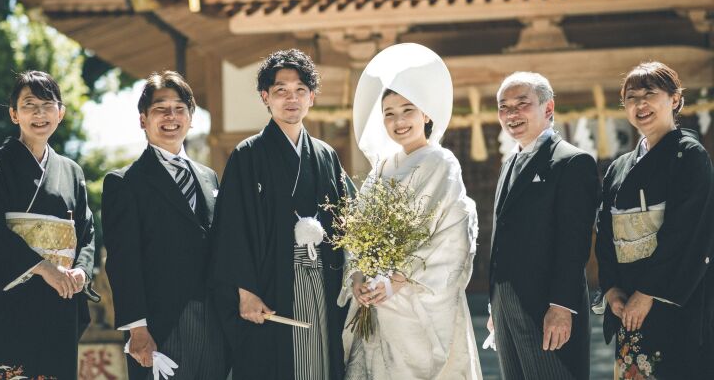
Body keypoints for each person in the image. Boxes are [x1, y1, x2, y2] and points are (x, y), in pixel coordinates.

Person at [209, 49, 353, 380]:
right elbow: (231, 228)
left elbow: (347, 222)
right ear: (266, 97)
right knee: (278, 365)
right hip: (271, 282)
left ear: (312, 97)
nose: (292, 99)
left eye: (300, 90)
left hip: (323, 280)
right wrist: (245, 291)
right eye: (281, 91)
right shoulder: (248, 155)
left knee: (321, 361)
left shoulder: (327, 156)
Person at [343, 43, 482, 379]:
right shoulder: (380, 169)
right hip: (377, 304)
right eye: (389, 113)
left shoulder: (441, 162)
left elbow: (452, 239)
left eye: (407, 110)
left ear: (426, 114)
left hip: (415, 301)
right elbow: (357, 233)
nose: (398, 121)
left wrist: (397, 278)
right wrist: (359, 278)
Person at [0, 70, 96, 379]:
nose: (39, 113)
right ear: (13, 114)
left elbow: (86, 233)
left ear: (60, 113)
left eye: (48, 104)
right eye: (29, 104)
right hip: (6, 302)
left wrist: (81, 271)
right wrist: (44, 267)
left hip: (58, 300)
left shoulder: (72, 172)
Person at [102, 71, 229, 379]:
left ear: (191, 117)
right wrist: (137, 329)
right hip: (162, 324)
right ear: (143, 119)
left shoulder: (208, 176)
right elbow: (123, 261)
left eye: (179, 108)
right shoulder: (125, 183)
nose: (171, 116)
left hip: (215, 320)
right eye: (160, 109)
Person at [595, 62, 714, 378]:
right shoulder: (618, 168)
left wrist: (647, 293)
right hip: (628, 302)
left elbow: (687, 233)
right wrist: (611, 290)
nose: (640, 104)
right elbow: (605, 233)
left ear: (675, 99)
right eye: (631, 97)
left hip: (673, 300)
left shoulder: (689, 156)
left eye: (650, 94)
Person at [488, 72, 599, 379]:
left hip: (548, 306)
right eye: (503, 106)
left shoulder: (572, 162)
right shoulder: (509, 162)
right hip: (505, 304)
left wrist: (562, 307)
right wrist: (495, 304)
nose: (511, 113)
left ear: (548, 109)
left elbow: (573, 243)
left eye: (522, 104)